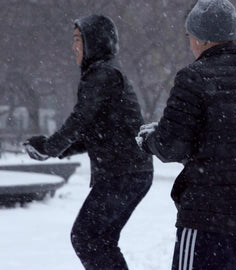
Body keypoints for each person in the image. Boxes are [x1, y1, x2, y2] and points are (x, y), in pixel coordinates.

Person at [136, 0, 236, 269]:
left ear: (200, 38)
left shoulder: (194, 78)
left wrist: (148, 141)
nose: (189, 42)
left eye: (189, 36)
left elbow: (171, 146)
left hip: (209, 220)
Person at [23, 14, 153, 270]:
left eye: (77, 40)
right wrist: (53, 149)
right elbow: (93, 134)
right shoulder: (105, 73)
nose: (73, 47)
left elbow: (78, 121)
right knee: (99, 240)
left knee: (85, 237)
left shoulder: (102, 75)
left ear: (94, 42)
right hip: (130, 173)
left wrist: (50, 148)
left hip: (124, 174)